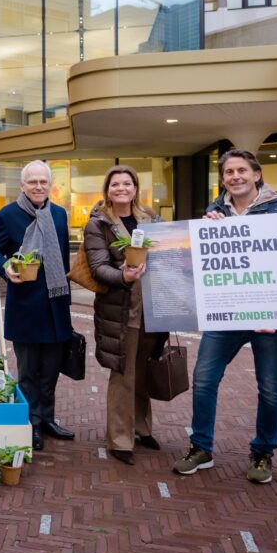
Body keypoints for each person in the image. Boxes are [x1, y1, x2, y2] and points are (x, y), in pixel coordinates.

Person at [173, 149, 277, 484]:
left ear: (257, 174)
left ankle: (263, 452)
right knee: (204, 379)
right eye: (229, 172)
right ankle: (201, 448)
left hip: (270, 315)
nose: (235, 176)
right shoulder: (215, 211)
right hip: (226, 313)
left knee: (270, 388)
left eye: (242, 170)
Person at [0, 160, 74, 451]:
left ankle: (47, 419)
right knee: (28, 372)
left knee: (50, 370)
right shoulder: (7, 215)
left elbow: (62, 258)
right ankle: (31, 422)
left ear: (50, 185)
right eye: (32, 182)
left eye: (43, 182)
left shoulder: (59, 215)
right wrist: (6, 268)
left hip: (56, 305)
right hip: (25, 306)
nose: (38, 187)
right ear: (22, 185)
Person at [84, 165, 167, 465]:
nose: (121, 188)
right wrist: (124, 275)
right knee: (123, 373)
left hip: (153, 310)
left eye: (127, 183)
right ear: (108, 189)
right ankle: (120, 439)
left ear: (135, 188)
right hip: (121, 311)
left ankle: (142, 427)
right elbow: (98, 267)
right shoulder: (100, 224)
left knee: (144, 369)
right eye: (115, 184)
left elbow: (169, 254)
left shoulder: (152, 219)